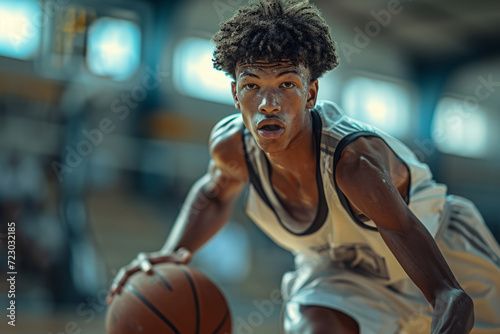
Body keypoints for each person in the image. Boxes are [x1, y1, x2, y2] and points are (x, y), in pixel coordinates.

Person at [107, 1, 500, 333]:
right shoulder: (232, 148)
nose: (268, 103)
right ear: (234, 93)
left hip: (444, 250)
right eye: (252, 85)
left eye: (286, 84)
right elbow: (213, 194)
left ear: (311, 92)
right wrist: (171, 254)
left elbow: (451, 296)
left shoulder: (353, 164)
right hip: (342, 271)